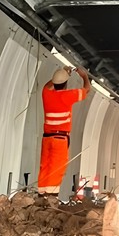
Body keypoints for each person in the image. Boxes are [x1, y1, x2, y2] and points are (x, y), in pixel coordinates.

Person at [37, 66, 90, 195]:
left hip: (47, 138)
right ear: (66, 84)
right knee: (57, 168)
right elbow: (87, 90)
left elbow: (47, 85)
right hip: (60, 139)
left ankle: (41, 194)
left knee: (45, 166)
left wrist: (63, 73)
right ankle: (51, 196)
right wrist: (84, 76)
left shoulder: (46, 94)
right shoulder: (67, 96)